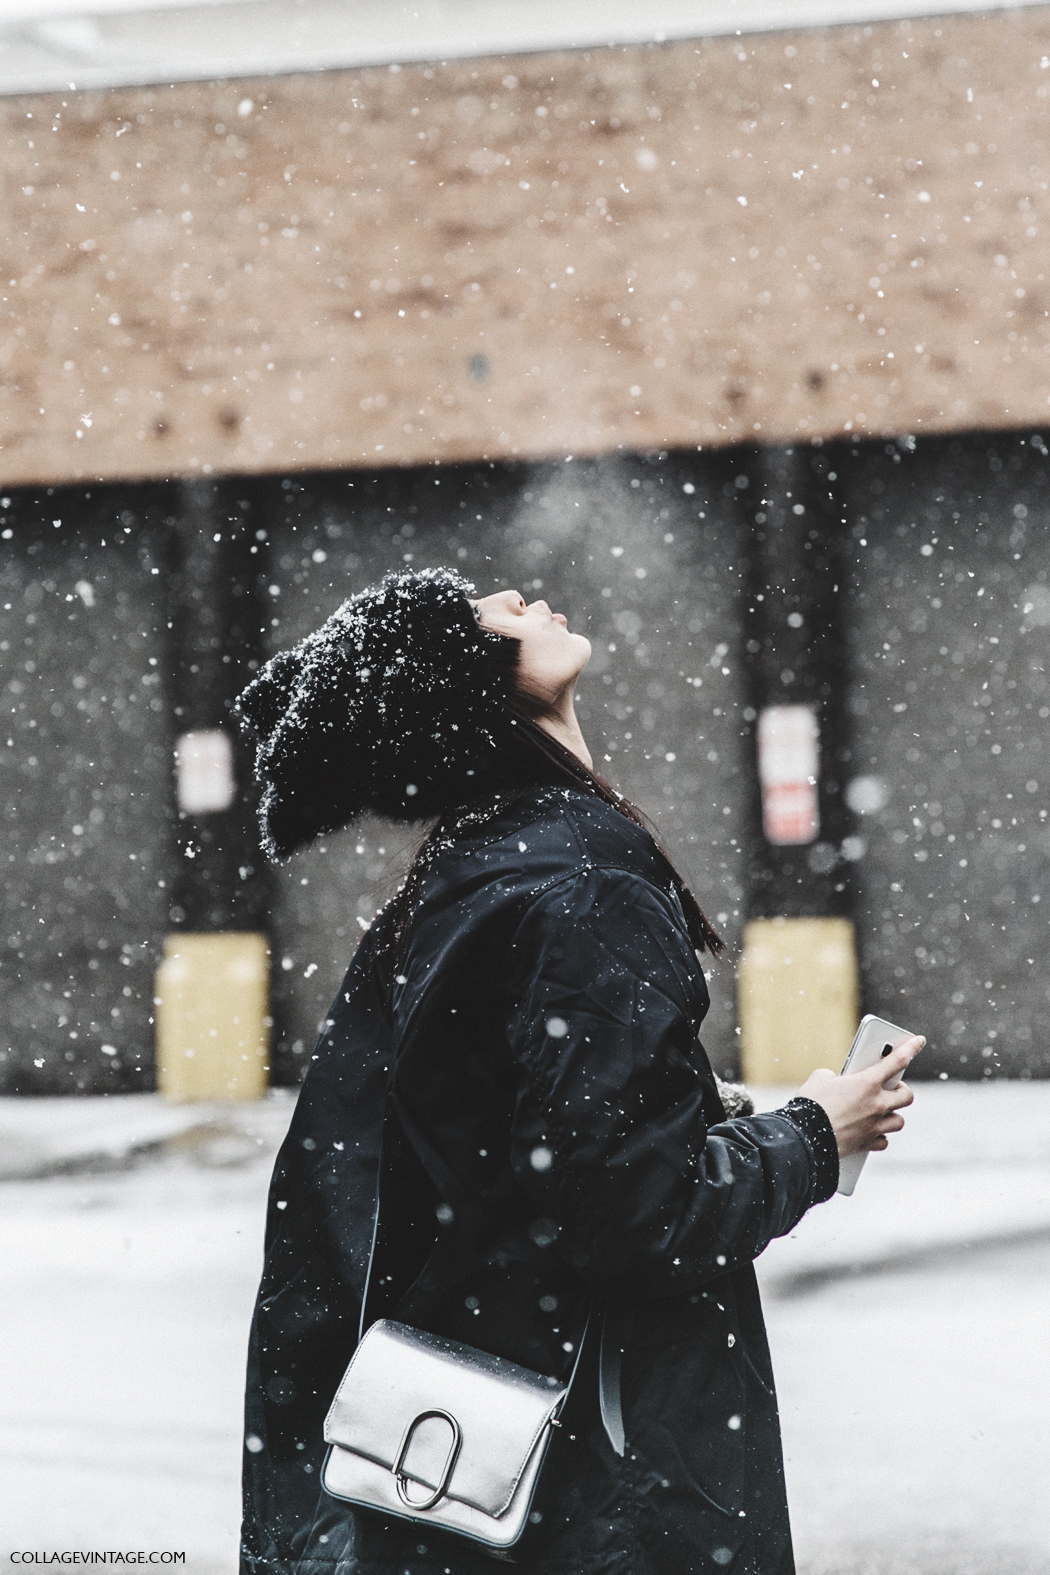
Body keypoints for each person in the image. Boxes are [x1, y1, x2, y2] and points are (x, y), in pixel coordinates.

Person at [237, 566, 922, 1575]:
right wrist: (816, 1136)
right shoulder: (582, 887)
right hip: (605, 1491)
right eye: (489, 616)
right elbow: (640, 1221)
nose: (522, 598)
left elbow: (506, 1171)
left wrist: (699, 1119)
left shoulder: (468, 878)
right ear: (462, 687)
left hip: (483, 1481)